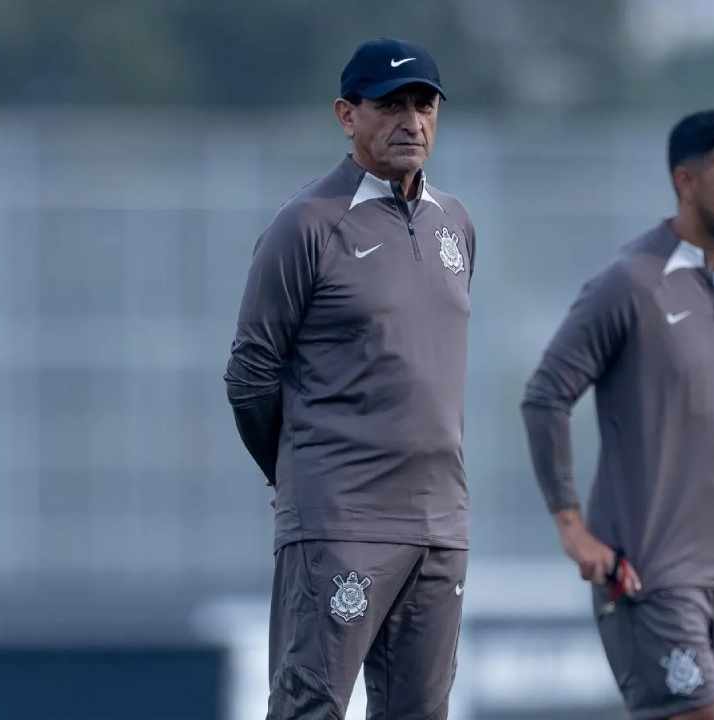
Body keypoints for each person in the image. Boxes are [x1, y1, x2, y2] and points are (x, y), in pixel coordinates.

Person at [521, 110, 714, 720]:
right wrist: (572, 528)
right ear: (684, 180)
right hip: (644, 573)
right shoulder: (628, 285)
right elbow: (546, 396)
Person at [224, 37, 476, 720]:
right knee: (311, 707)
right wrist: (302, 473)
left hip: (439, 523)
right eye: (390, 105)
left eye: (424, 104)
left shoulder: (455, 224)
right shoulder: (306, 225)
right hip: (341, 520)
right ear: (347, 114)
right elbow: (250, 375)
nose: (411, 121)